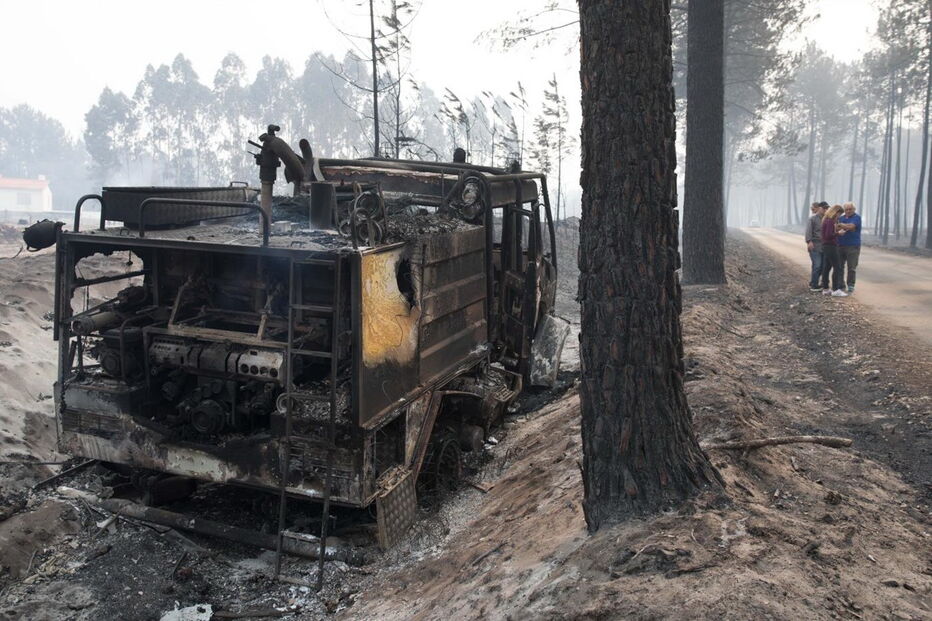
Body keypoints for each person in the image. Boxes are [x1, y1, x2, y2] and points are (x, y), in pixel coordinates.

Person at [820, 204, 847, 297]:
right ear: (836, 212)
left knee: (827, 267)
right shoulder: (830, 221)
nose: (839, 216)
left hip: (826, 246)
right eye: (839, 214)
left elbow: (826, 235)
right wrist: (838, 233)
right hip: (831, 246)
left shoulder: (826, 220)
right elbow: (828, 235)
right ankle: (836, 289)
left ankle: (826, 288)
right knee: (837, 267)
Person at [837, 202, 861, 294]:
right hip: (840, 245)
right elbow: (836, 228)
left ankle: (851, 285)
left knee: (852, 267)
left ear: (854, 209)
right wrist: (843, 226)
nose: (848, 211)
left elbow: (852, 226)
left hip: (853, 246)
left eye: (850, 209)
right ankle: (841, 284)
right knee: (839, 266)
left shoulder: (857, 217)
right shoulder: (841, 217)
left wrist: (841, 225)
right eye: (846, 209)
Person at [804, 202, 826, 291]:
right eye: (823, 208)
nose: (825, 210)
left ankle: (813, 282)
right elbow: (808, 231)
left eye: (826, 209)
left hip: (824, 246)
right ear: (820, 209)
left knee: (821, 266)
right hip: (814, 245)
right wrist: (809, 242)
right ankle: (814, 285)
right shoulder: (812, 219)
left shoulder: (826, 219)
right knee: (817, 265)